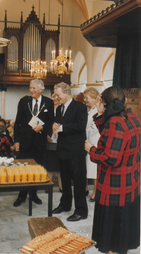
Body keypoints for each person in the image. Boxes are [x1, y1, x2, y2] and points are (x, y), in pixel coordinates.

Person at [85, 86, 140, 254]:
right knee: (122, 228)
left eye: (101, 100)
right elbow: (110, 137)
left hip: (115, 184)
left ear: (104, 102)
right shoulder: (132, 117)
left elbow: (111, 158)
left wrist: (91, 150)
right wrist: (102, 114)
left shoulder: (116, 122)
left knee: (113, 236)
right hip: (131, 181)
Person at [13, 79, 54, 207]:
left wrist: (43, 127)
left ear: (41, 89)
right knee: (23, 169)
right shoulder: (24, 101)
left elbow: (51, 121)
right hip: (25, 142)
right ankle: (22, 195)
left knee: (37, 168)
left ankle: (34, 194)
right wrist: (16, 141)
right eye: (30, 87)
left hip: (39, 143)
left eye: (34, 88)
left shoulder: (49, 102)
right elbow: (18, 122)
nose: (31, 90)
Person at [52, 82, 88, 221]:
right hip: (63, 150)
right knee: (65, 181)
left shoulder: (80, 107)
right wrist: (54, 126)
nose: (57, 97)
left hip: (76, 151)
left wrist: (61, 128)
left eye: (58, 94)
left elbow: (80, 126)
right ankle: (65, 205)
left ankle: (81, 211)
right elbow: (57, 124)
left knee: (78, 182)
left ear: (67, 93)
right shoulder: (59, 109)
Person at [83, 87, 100, 202]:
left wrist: (86, 129)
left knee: (94, 168)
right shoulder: (90, 109)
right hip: (88, 140)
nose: (85, 100)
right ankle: (86, 189)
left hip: (95, 140)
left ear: (94, 98)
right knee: (88, 166)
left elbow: (95, 127)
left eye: (87, 98)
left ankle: (95, 192)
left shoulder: (98, 110)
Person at [44, 91, 62, 192]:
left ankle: (61, 187)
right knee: (49, 165)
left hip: (60, 141)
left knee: (60, 166)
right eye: (53, 96)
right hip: (49, 140)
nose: (55, 98)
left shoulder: (63, 109)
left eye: (57, 96)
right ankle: (48, 187)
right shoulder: (47, 109)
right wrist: (46, 136)